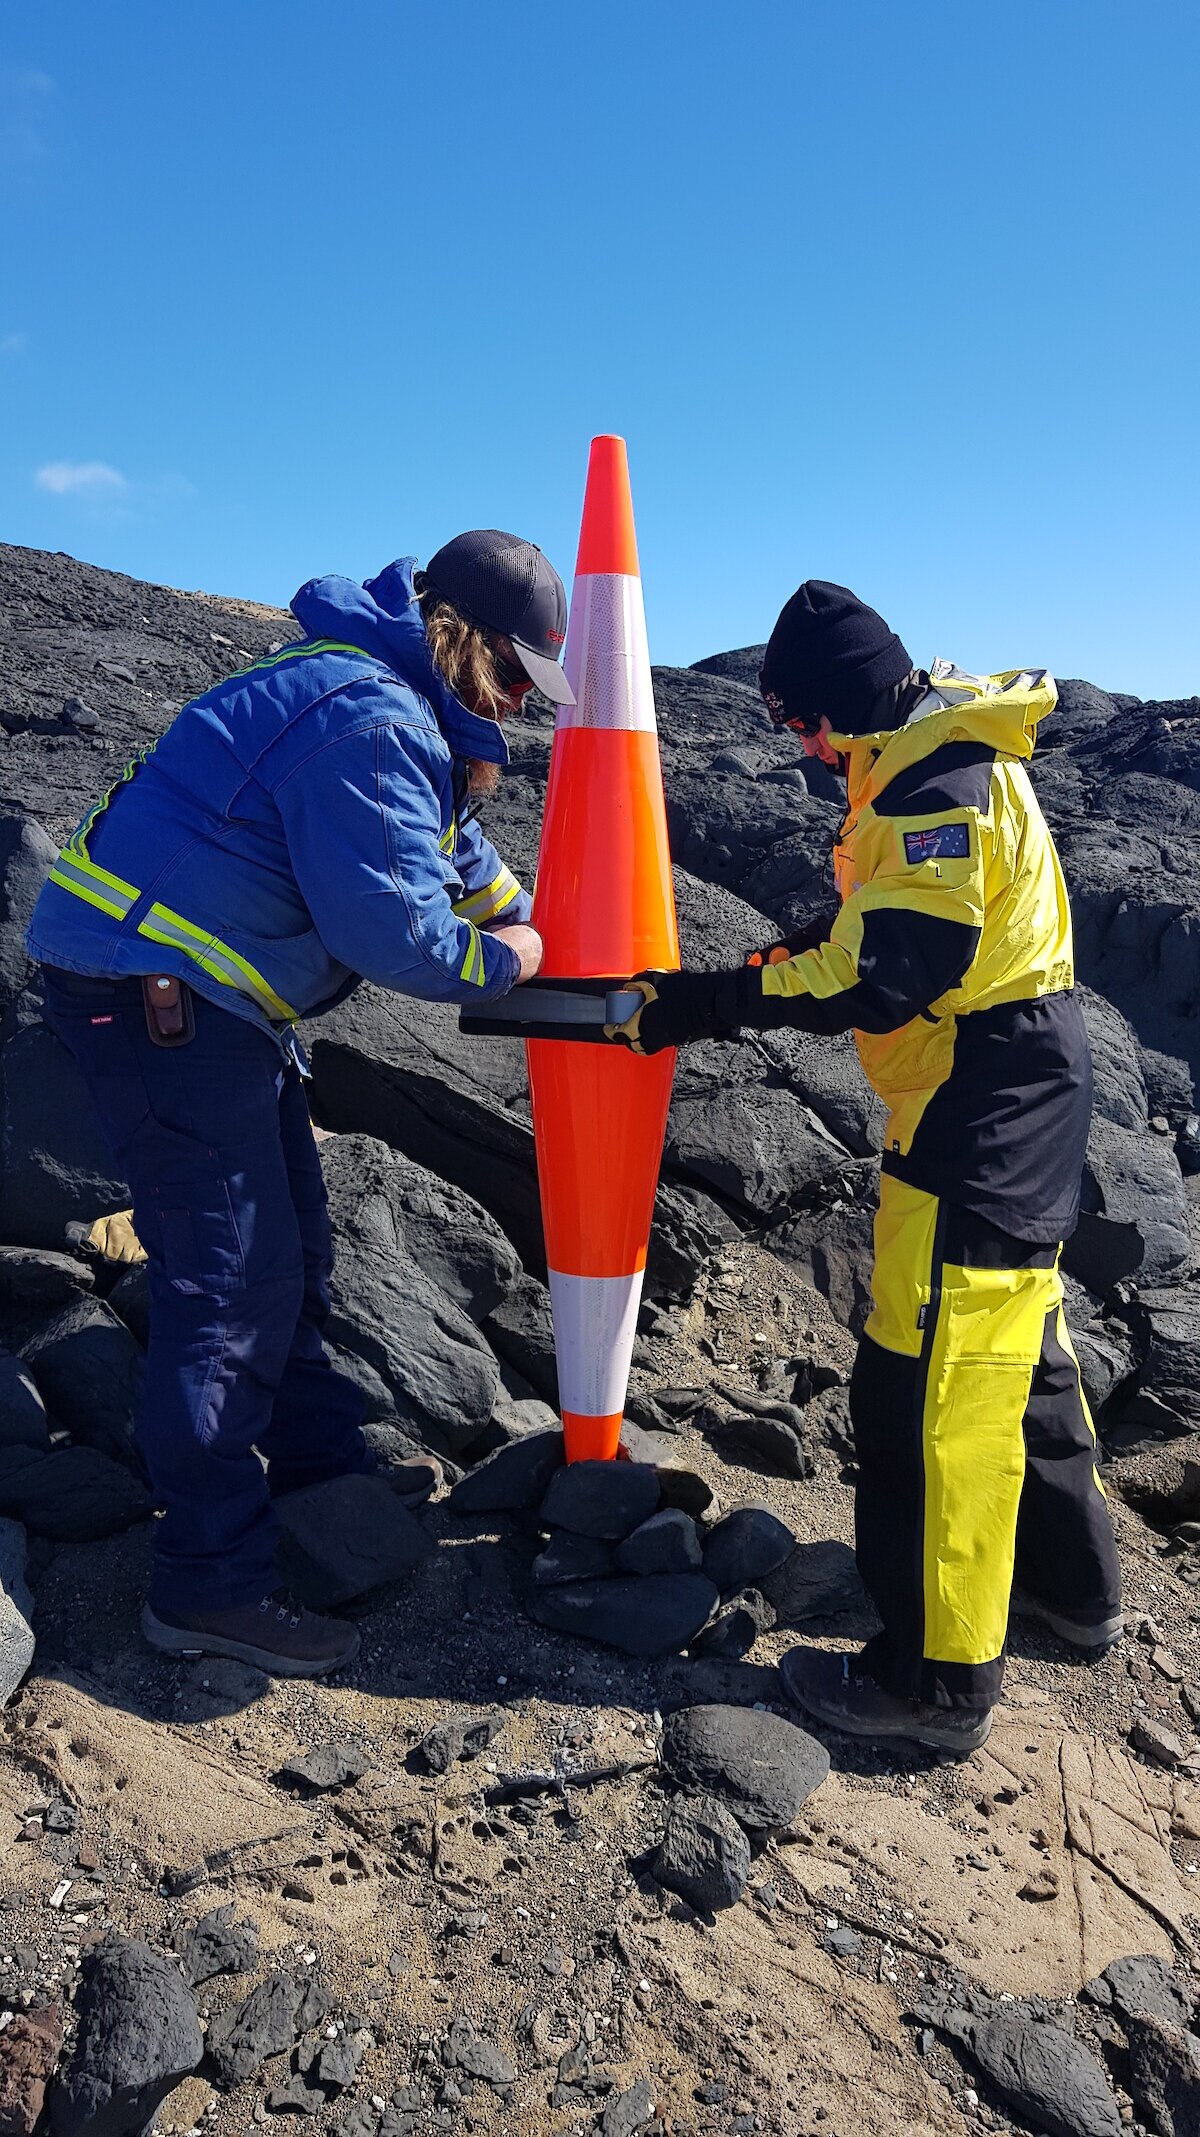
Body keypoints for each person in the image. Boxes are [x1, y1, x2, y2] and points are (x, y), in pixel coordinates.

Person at [28, 532, 573, 1677]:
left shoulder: (390, 704)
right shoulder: (369, 717)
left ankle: (326, 1480)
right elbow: (395, 933)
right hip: (156, 995)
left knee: (295, 1248)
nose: (522, 702)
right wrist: (515, 957)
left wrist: (534, 909)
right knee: (229, 1279)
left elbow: (444, 845)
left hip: (203, 999)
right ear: (458, 637)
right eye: (516, 674)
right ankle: (206, 1587)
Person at [607, 580, 1122, 1755]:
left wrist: (707, 1001)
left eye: (798, 723)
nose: (801, 747)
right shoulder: (940, 748)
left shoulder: (932, 786)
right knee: (1016, 1356)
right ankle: (1070, 1589)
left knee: (930, 1398)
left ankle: (934, 1683)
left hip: (975, 1107)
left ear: (836, 706)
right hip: (1017, 1081)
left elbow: (885, 973)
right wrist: (774, 958)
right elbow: (871, 937)